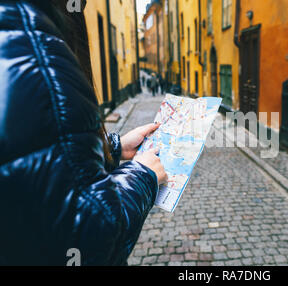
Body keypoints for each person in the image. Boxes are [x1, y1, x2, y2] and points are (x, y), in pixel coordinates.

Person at [0, 0, 167, 265]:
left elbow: (37, 165)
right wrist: (142, 175)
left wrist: (114, 147)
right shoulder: (40, 56)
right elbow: (87, 239)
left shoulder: (16, 38)